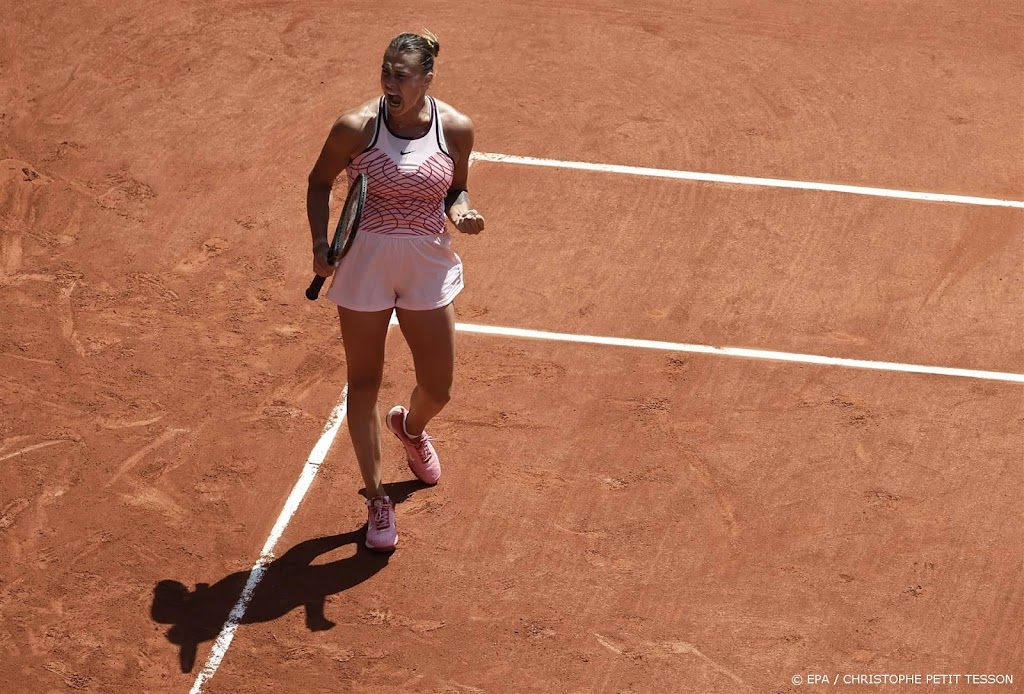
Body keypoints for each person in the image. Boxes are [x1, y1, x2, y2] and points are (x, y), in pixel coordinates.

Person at [306, 31, 485, 553]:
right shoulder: (356, 128)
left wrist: (462, 212)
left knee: (439, 387)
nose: (389, 82)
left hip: (427, 262)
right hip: (366, 264)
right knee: (363, 384)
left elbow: (455, 187)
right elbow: (319, 183)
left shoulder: (456, 129)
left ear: (427, 79)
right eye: (385, 71)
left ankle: (410, 427)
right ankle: (377, 498)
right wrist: (321, 241)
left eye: (400, 75)